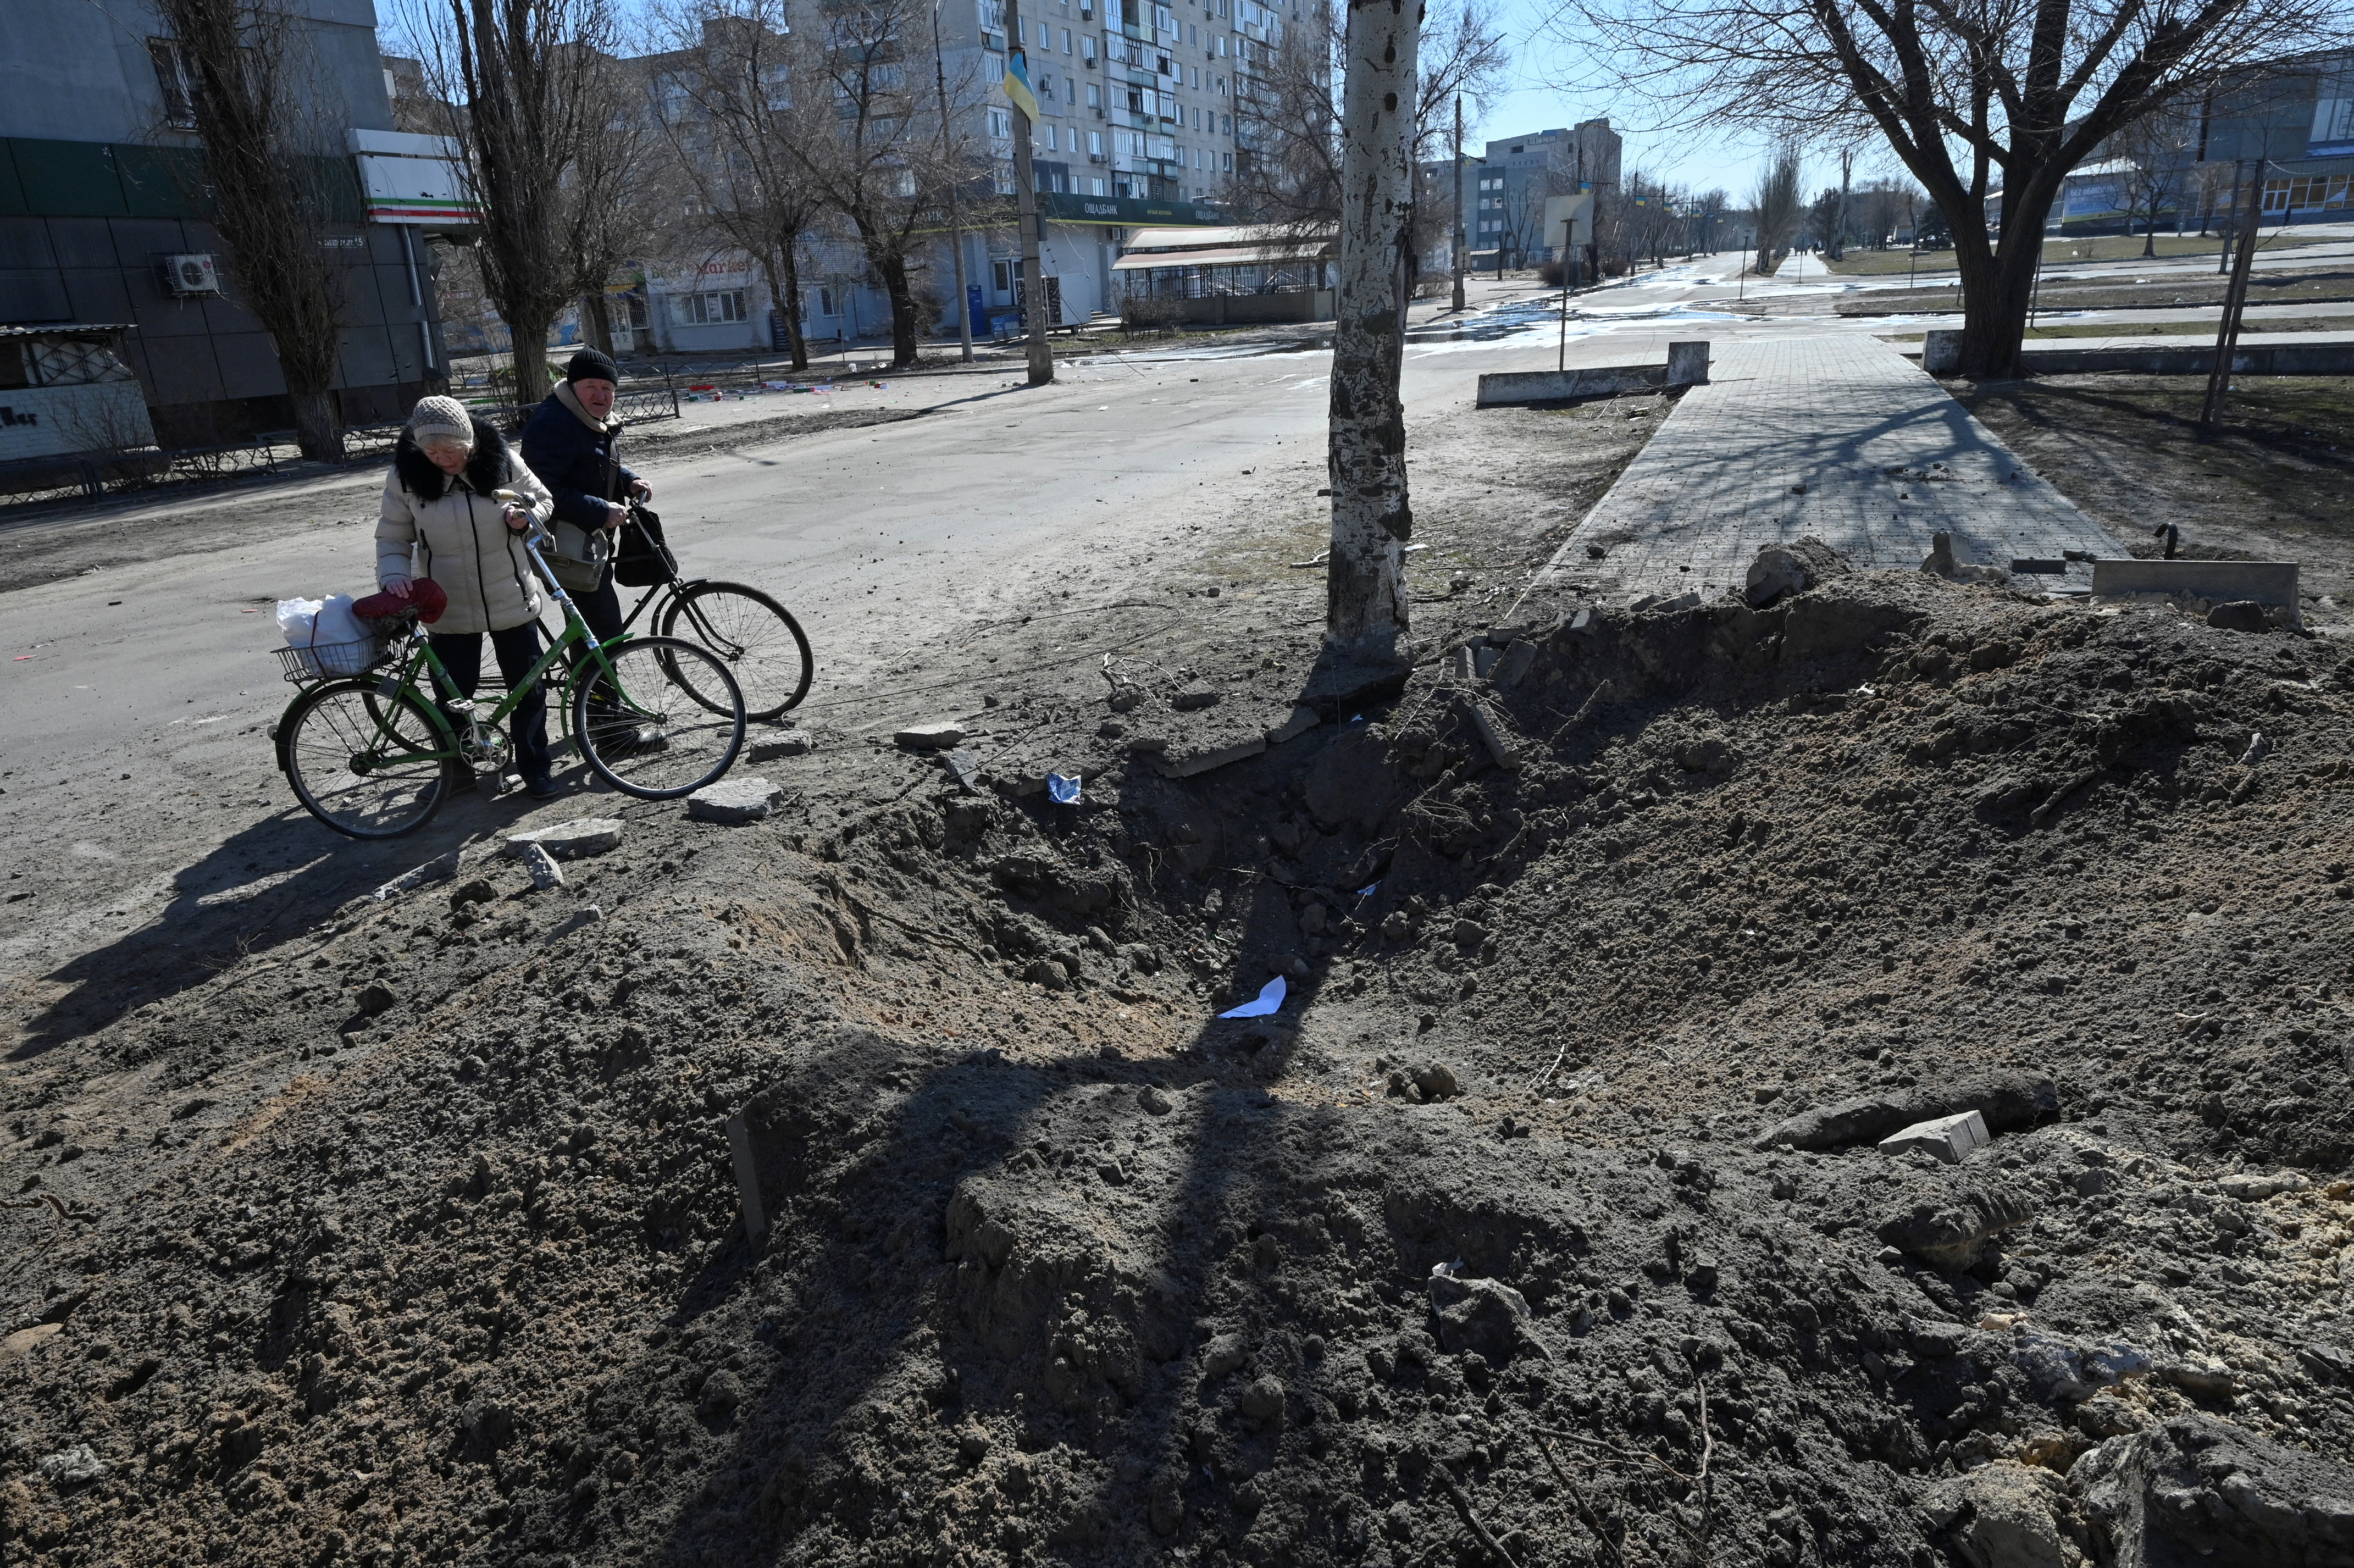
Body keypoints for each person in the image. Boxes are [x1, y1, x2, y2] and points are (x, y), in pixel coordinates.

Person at [375, 395, 560, 800]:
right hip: (448, 605)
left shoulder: (503, 461)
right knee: (453, 696)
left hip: (511, 596)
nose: (442, 459)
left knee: (528, 690)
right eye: (432, 451)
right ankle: (457, 772)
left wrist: (526, 515)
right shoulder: (406, 477)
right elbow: (392, 536)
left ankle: (536, 769)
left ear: (470, 441)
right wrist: (393, 576)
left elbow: (542, 499)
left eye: (451, 450)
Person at [522, 347, 654, 655]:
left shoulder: (587, 418)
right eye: (591, 387)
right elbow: (544, 490)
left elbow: (594, 463)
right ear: (572, 387)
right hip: (565, 548)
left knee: (594, 630)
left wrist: (628, 480)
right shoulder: (552, 423)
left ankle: (593, 695)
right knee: (602, 633)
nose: (601, 396)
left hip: (587, 542)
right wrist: (600, 510)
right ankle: (599, 701)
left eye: (607, 388)